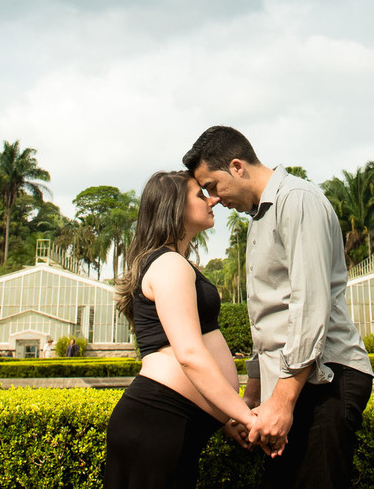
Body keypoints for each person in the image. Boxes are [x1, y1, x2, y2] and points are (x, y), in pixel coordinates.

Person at [184, 126, 374, 489]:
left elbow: (309, 304)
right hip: (291, 385)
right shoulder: (260, 217)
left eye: (212, 185)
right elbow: (267, 317)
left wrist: (283, 402)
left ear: (237, 167)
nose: (213, 199)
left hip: (324, 379)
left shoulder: (297, 199)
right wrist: (254, 396)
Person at [104, 171, 270, 489]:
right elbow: (190, 354)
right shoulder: (169, 264)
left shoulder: (173, 262)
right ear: (175, 207)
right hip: (156, 423)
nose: (214, 199)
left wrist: (225, 418)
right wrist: (247, 416)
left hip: (165, 424)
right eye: (200, 195)